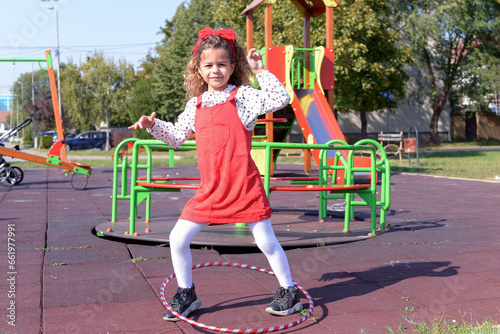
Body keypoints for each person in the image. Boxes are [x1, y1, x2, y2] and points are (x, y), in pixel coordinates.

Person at [129, 27, 302, 321]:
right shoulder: (194, 105)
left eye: (222, 64)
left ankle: (289, 291)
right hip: (210, 191)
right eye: (208, 65)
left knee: (266, 242)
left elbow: (280, 98)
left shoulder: (243, 97)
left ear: (233, 66)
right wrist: (151, 126)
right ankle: (187, 293)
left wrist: (260, 69)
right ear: (199, 69)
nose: (215, 71)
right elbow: (174, 137)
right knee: (177, 238)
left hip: (243, 188)